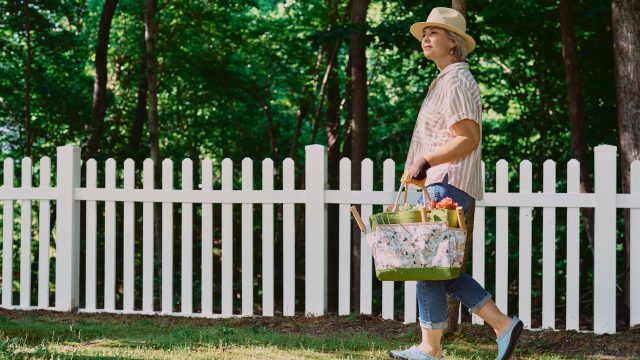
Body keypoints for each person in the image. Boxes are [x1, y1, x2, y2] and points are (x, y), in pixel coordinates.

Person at [389, 7, 523, 360]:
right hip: (439, 183)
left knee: (430, 266)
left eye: (435, 32)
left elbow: (468, 138)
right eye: (425, 32)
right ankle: (497, 326)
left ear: (454, 42)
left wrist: (426, 161)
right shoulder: (445, 80)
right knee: (436, 267)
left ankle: (435, 347)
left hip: (447, 182)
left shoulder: (457, 80)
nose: (426, 38)